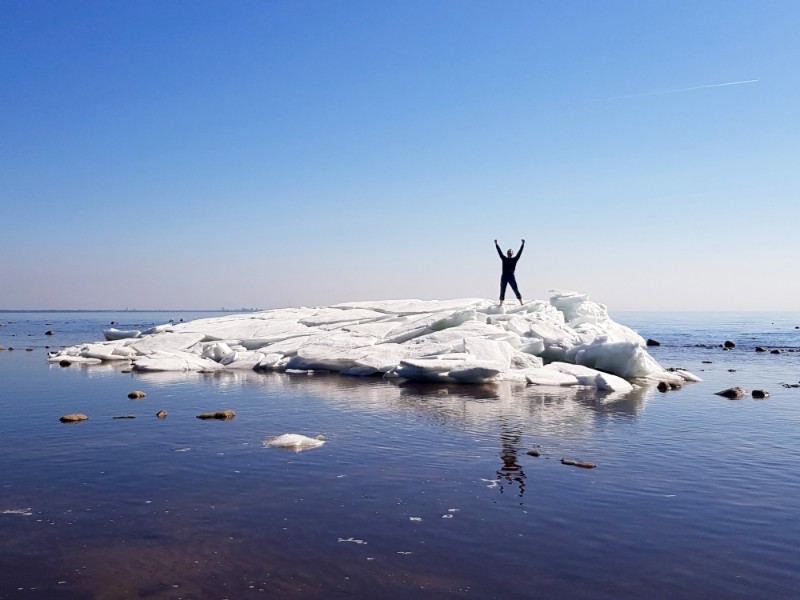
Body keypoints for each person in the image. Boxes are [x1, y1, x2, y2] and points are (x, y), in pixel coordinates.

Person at [494, 239, 525, 305]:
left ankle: (521, 303)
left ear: (511, 254)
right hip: (506, 276)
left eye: (510, 253)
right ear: (508, 254)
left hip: (510, 276)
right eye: (509, 253)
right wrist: (496, 244)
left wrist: (522, 245)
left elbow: (519, 253)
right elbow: (499, 252)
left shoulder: (513, 259)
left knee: (515, 289)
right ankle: (501, 304)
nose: (510, 254)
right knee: (503, 289)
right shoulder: (505, 258)